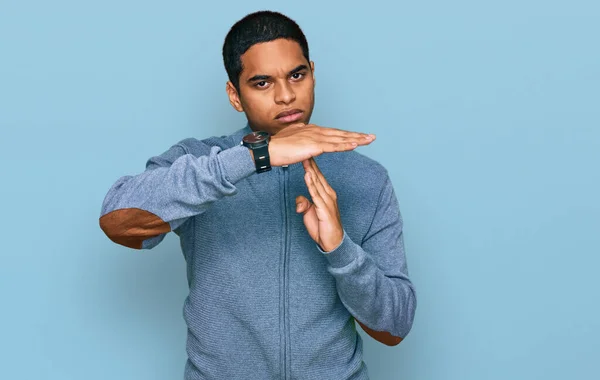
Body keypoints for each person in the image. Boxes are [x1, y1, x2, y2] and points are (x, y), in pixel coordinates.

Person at [99, 10, 416, 380]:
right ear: (235, 95)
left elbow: (394, 327)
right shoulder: (199, 162)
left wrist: (340, 249)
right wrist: (256, 156)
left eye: (297, 75)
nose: (286, 96)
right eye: (262, 83)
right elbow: (117, 221)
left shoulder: (367, 179)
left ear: (312, 73)